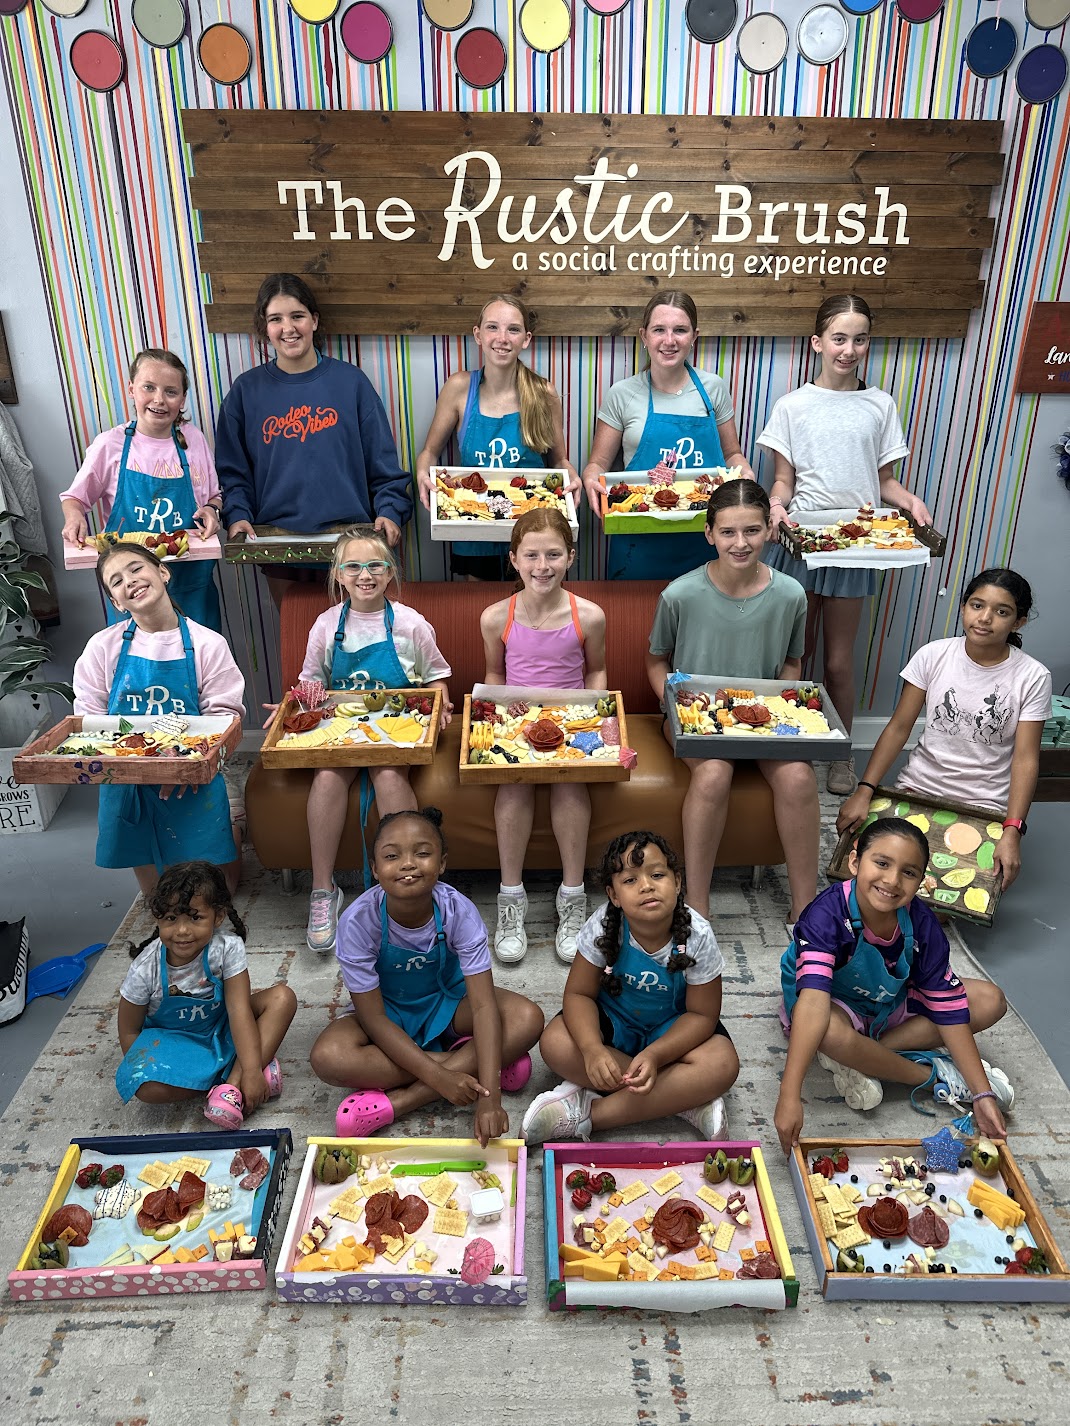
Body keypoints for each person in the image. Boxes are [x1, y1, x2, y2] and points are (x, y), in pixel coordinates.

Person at [758, 293, 933, 796]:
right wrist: (775, 506)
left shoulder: (879, 404)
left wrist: (911, 501)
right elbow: (784, 480)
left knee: (837, 660)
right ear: (817, 343)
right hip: (800, 542)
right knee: (793, 652)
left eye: (858, 339)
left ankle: (839, 754)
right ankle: (782, 743)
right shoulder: (792, 405)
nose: (848, 349)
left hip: (854, 545)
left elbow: (885, 483)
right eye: (838, 338)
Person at [773, 819, 1013, 1153]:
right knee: (826, 1031)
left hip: (886, 1002)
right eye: (882, 863)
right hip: (830, 1002)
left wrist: (983, 1094)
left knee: (990, 1000)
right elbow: (812, 1003)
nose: (892, 880)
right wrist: (789, 1095)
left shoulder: (922, 923)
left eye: (909, 872)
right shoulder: (825, 915)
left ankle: (861, 1055)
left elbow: (949, 1007)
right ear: (855, 862)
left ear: (921, 881)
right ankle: (931, 1077)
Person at [309, 808, 544, 1147]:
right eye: (392, 856)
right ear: (375, 868)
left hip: (446, 1003)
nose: (408, 864)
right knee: (328, 1057)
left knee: (527, 1017)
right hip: (386, 1013)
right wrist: (446, 1076)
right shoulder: (357, 921)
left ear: (442, 863)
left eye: (422, 853)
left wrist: (489, 1099)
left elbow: (482, 1007)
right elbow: (373, 1019)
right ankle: (479, 1060)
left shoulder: (458, 911)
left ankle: (402, 1102)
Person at [646, 479, 818, 925]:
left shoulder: (791, 595)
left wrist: (778, 710)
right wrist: (674, 707)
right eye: (728, 532)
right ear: (709, 534)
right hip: (696, 717)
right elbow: (656, 660)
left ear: (769, 531)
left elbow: (792, 664)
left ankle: (807, 909)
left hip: (763, 720)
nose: (740, 543)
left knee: (799, 777)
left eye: (752, 531)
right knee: (714, 774)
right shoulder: (680, 593)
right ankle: (697, 903)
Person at [838, 568, 1051, 891]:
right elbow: (898, 727)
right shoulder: (934, 655)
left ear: (1018, 622)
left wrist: (1012, 829)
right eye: (977, 605)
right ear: (964, 607)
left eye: (1002, 611)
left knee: (944, 894)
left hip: (983, 804)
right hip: (918, 789)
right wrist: (865, 790)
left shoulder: (1033, 677)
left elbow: (1025, 759)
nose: (985, 618)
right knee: (863, 875)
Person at [521, 830, 738, 1145]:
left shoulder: (698, 935)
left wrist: (656, 1055)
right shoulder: (602, 926)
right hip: (615, 1025)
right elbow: (579, 995)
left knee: (722, 1064)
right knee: (555, 1042)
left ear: (677, 882)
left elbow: (703, 1015)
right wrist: (592, 1050)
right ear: (613, 896)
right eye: (630, 880)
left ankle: (587, 1114)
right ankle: (683, 1101)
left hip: (671, 1033)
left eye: (657, 874)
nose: (646, 885)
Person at [294, 526, 453, 954]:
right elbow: (311, 682)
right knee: (327, 777)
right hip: (341, 727)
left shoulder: (410, 623)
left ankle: (409, 885)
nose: (365, 575)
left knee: (387, 776)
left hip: (396, 727)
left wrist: (441, 707)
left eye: (375, 566)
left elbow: (437, 678)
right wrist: (303, 701)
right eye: (353, 566)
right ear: (339, 574)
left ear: (389, 572)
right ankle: (323, 891)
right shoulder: (327, 625)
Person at [215, 273, 412, 606]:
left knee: (357, 639)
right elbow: (233, 471)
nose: (288, 328)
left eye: (297, 316)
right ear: (265, 328)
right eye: (276, 319)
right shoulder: (246, 391)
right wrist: (237, 514)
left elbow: (382, 460)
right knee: (298, 641)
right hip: (277, 542)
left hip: (353, 542)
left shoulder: (351, 383)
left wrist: (390, 510)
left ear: (314, 320)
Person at [73, 542, 245, 898]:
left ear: (163, 573)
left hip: (192, 774)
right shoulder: (102, 648)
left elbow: (224, 718)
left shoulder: (207, 644)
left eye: (137, 568)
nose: (130, 581)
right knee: (162, 900)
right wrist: (139, 766)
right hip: (126, 777)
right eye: (116, 580)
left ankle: (235, 821)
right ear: (116, 602)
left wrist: (181, 765)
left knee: (219, 894)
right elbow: (88, 717)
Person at [479, 508, 608, 963]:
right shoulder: (495, 617)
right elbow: (495, 675)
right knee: (512, 790)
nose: (542, 566)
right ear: (514, 559)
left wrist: (598, 721)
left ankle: (572, 897)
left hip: (572, 724)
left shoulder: (589, 616)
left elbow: (596, 673)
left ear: (571, 557)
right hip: (518, 726)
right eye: (531, 555)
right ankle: (510, 898)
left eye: (554, 554)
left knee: (570, 788)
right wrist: (501, 708)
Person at [581, 289, 753, 580]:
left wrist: (744, 470)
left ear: (694, 336)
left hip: (708, 537)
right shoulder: (622, 394)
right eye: (659, 330)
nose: (669, 341)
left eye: (680, 330)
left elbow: (732, 454)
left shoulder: (713, 389)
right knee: (636, 621)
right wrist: (589, 479)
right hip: (640, 542)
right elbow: (598, 463)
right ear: (644, 336)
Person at [116, 861, 297, 1127]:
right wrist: (149, 1068)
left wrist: (248, 1070)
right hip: (175, 1042)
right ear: (157, 918)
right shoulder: (145, 967)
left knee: (283, 997)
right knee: (145, 1088)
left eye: (195, 917)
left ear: (218, 916)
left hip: (222, 1028)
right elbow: (129, 1031)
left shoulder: (227, 948)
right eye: (170, 918)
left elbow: (238, 1011)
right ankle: (248, 1071)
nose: (182, 931)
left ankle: (234, 1086)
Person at [415, 294, 580, 581]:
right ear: (478, 335)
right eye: (493, 327)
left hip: (534, 530)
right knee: (483, 612)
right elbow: (430, 451)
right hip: (473, 523)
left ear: (525, 339)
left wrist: (571, 478)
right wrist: (422, 472)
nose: (502, 338)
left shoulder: (544, 393)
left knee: (533, 613)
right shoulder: (459, 388)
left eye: (513, 329)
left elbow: (559, 460)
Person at [59, 348, 223, 631]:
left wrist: (212, 509)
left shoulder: (193, 439)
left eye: (171, 391)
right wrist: (74, 517)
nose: (159, 399)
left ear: (182, 398)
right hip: (132, 590)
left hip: (192, 584)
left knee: (200, 664)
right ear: (132, 389)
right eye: (149, 387)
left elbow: (214, 496)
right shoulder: (110, 445)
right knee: (139, 668)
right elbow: (75, 498)